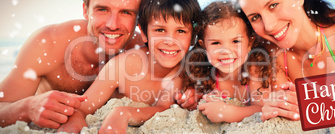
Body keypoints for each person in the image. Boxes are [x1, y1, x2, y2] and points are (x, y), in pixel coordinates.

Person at [59, 0, 201, 133]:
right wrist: (75, 123)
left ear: (193, 37)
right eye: (160, 30)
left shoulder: (186, 70)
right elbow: (82, 108)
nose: (170, 41)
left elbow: (162, 108)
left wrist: (124, 113)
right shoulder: (121, 66)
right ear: (144, 33)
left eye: (181, 31)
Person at [0, 0, 144, 130]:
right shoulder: (48, 44)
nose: (112, 25)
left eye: (126, 12)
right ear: (85, 11)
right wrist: (27, 107)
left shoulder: (145, 52)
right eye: (102, 9)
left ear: (138, 19)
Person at [239, 0, 335, 124]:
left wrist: (308, 105)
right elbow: (281, 113)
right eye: (255, 17)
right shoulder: (265, 55)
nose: (269, 25)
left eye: (273, 5)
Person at [183, 1, 288, 123]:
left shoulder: (255, 68)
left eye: (236, 41)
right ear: (204, 46)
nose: (226, 51)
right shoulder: (205, 75)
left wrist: (227, 112)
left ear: (249, 43)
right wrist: (189, 99)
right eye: (216, 43)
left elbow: (262, 108)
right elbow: (196, 100)